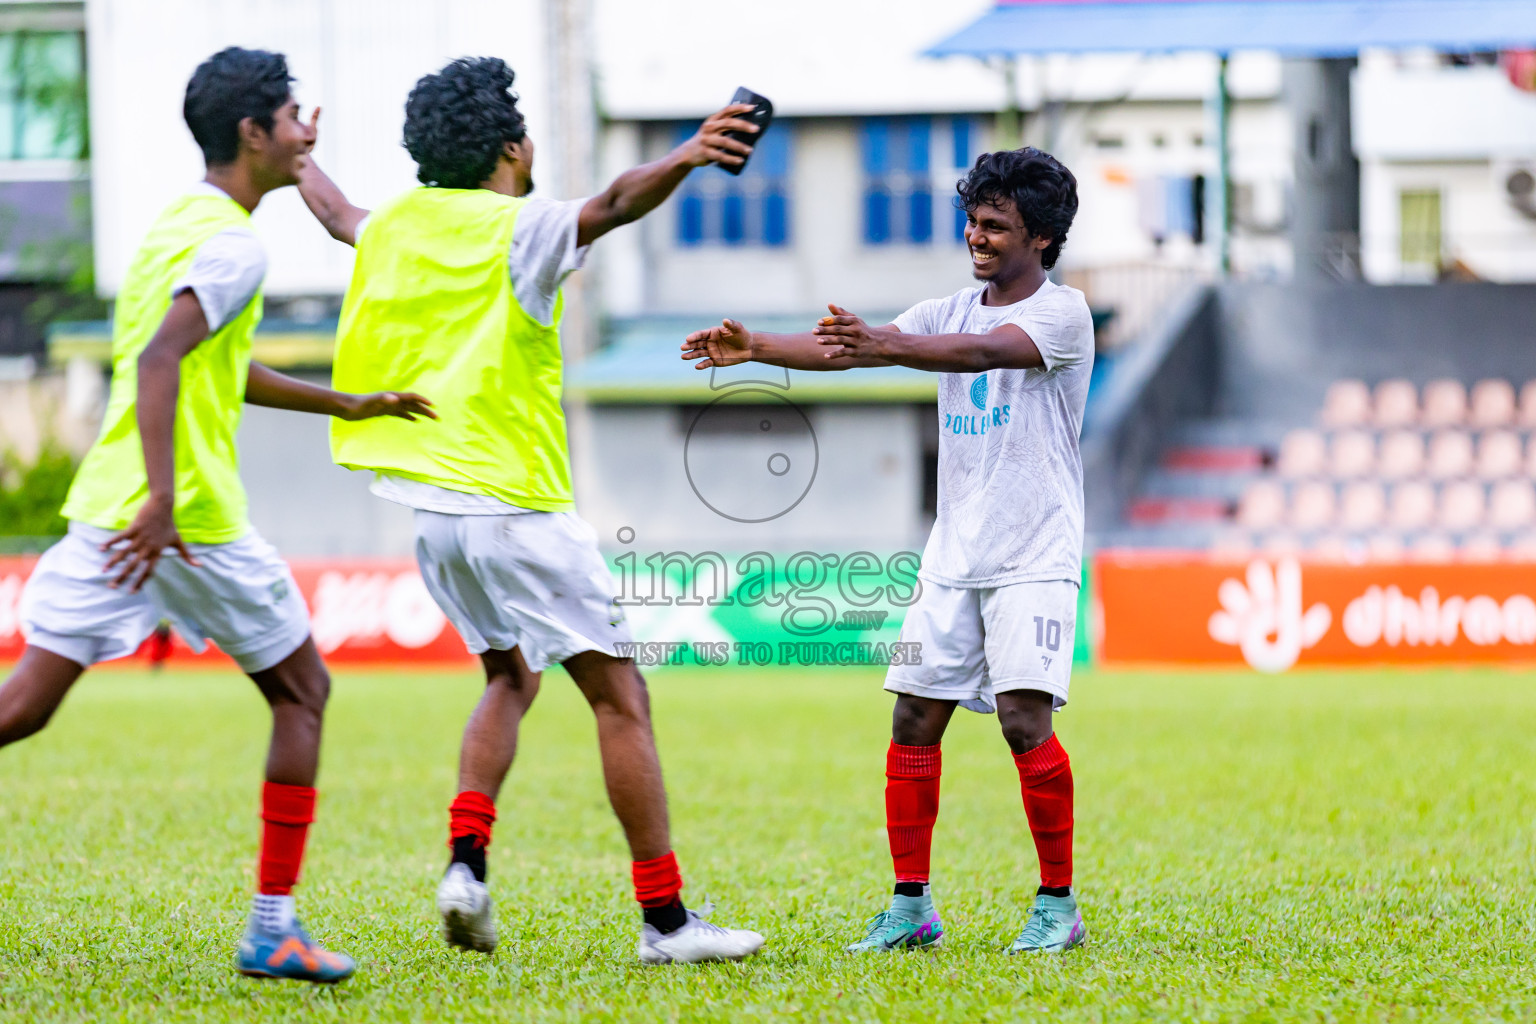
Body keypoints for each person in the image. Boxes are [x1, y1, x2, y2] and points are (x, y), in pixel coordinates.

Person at [296, 56, 764, 965]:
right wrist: (687, 157)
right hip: (516, 507)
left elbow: (334, 211)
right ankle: (666, 924)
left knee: (510, 678)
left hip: (428, 514)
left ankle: (465, 867)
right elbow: (616, 202)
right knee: (621, 697)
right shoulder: (524, 226)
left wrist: (300, 159)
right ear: (514, 144)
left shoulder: (395, 224)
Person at [0, 47, 434, 984]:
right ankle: (273, 928)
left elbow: (205, 362)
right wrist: (165, 498)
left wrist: (344, 404)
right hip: (184, 518)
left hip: (111, 513)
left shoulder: (178, 226)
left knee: (21, 709)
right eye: (292, 118)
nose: (307, 131)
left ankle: (276, 926)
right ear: (253, 133)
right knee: (303, 693)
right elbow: (163, 363)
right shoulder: (238, 243)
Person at [682, 147, 1094, 955]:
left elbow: (981, 354)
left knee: (1021, 720)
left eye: (996, 226)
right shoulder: (947, 309)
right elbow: (851, 348)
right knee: (912, 716)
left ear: (1041, 237)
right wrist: (759, 346)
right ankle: (912, 909)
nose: (977, 236)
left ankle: (1058, 904)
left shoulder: (1063, 313)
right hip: (953, 553)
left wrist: (885, 346)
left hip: (1034, 551)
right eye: (972, 221)